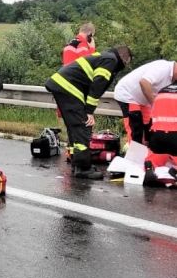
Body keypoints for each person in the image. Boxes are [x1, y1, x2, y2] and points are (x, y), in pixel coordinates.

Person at [45, 45, 133, 179]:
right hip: (69, 87)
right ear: (124, 58)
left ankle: (77, 163)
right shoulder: (111, 60)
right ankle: (83, 168)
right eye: (127, 62)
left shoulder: (104, 56)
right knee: (83, 125)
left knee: (75, 127)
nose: (126, 66)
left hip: (64, 86)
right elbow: (97, 85)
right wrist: (89, 111)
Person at [114, 60, 177, 146]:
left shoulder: (173, 78)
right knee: (136, 129)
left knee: (149, 128)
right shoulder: (162, 67)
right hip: (128, 94)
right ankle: (133, 156)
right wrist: (155, 105)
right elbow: (144, 82)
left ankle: (146, 155)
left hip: (144, 100)